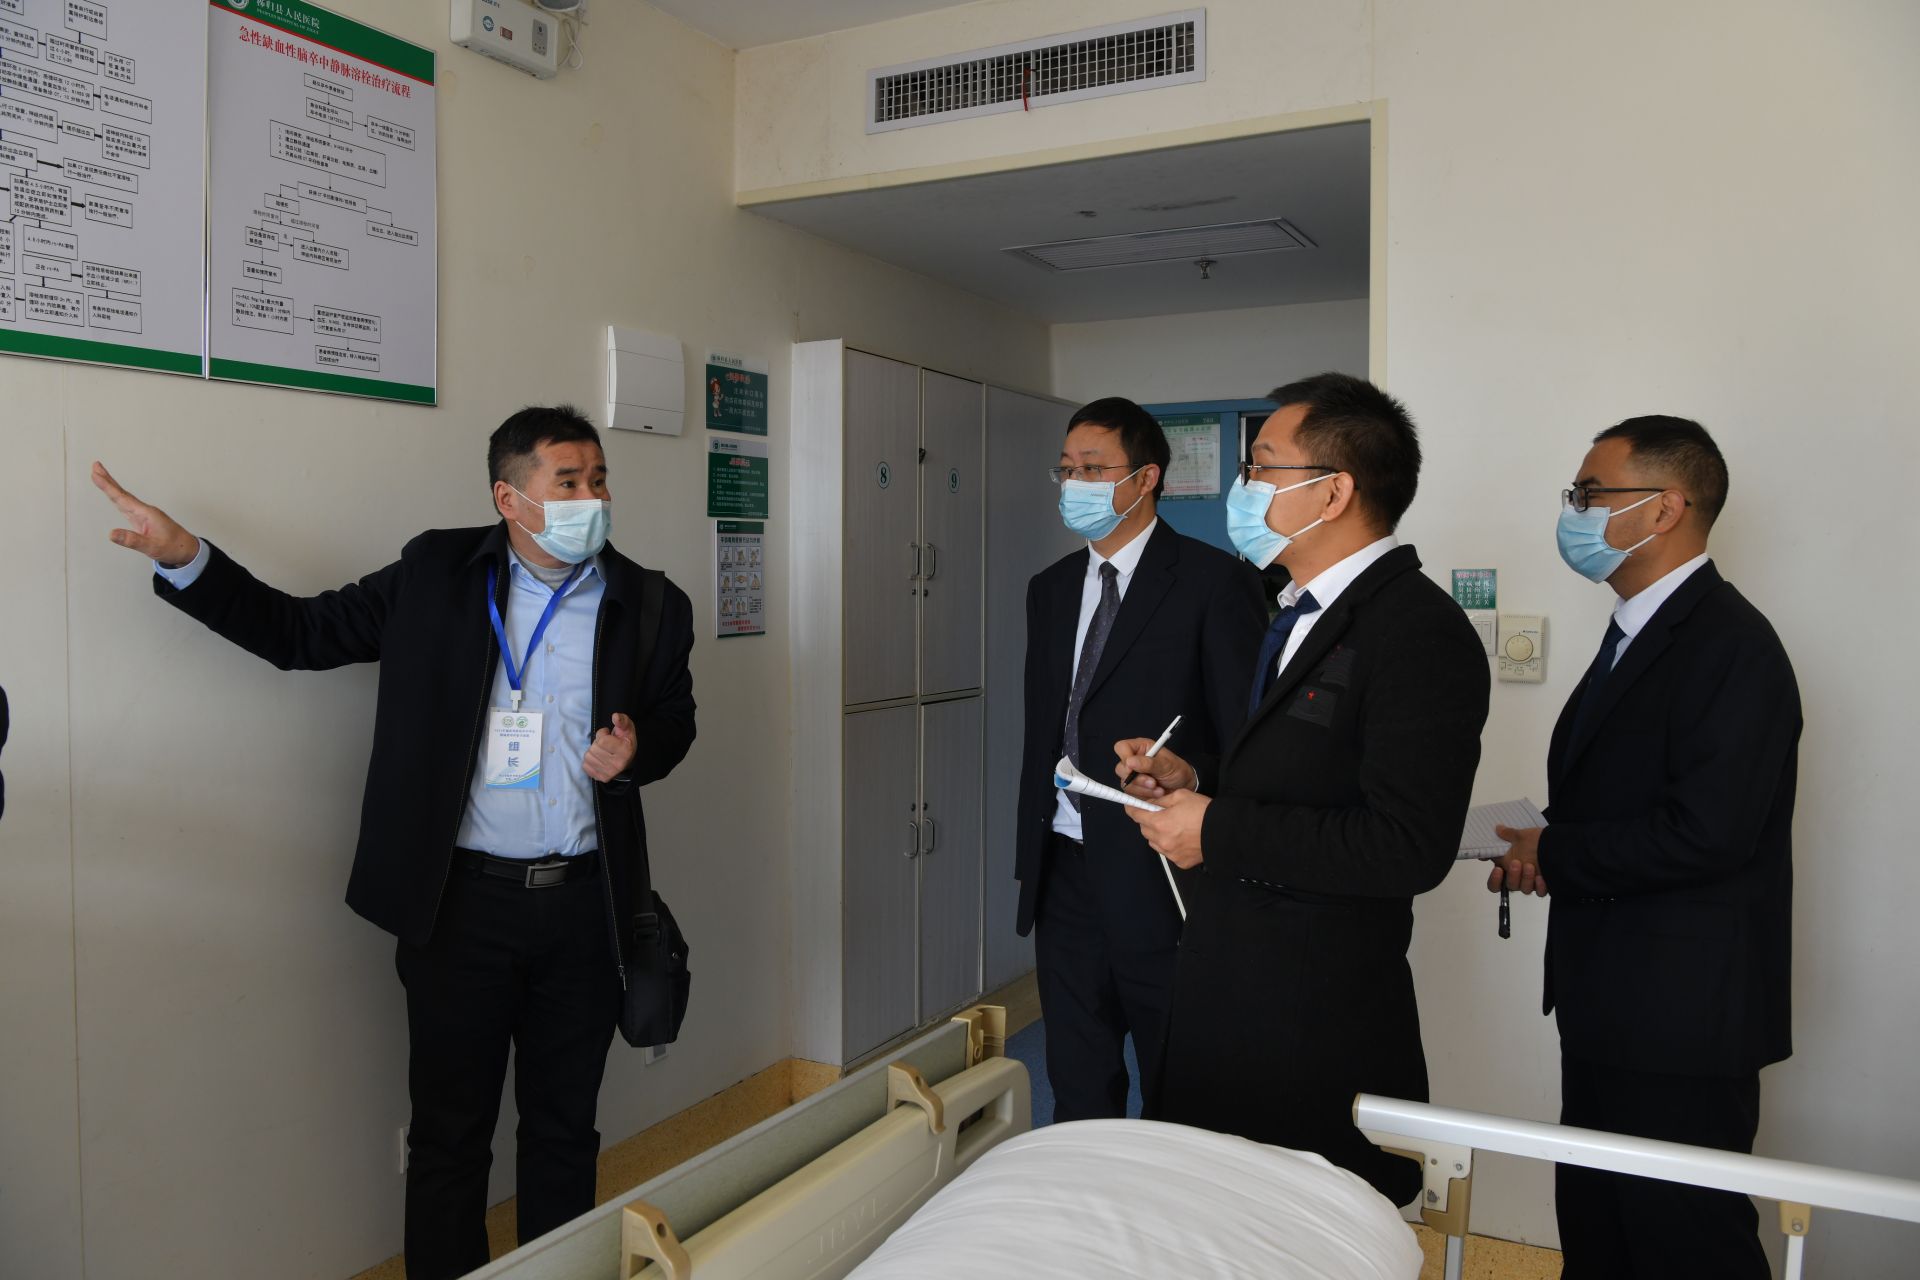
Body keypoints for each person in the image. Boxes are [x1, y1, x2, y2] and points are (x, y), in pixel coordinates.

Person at [90, 406, 696, 1280]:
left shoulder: (650, 602)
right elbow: (299, 633)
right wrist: (188, 558)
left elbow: (676, 720)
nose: (591, 499)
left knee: (564, 1134)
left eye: (598, 480)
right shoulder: (435, 575)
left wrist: (640, 751)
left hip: (583, 909)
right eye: (568, 482)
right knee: (449, 1140)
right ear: (510, 498)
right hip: (460, 911)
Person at [1120, 372, 1488, 1203]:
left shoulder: (1417, 631)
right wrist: (1196, 778)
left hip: (1310, 1013)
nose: (1242, 486)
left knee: (1287, 1225)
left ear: (1334, 492)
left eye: (1261, 466)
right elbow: (1306, 773)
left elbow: (1407, 846)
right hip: (1231, 982)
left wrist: (1215, 830)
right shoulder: (1294, 609)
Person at [1489, 415, 1798, 1277]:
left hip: (1682, 1018)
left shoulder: (1733, 646)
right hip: (1609, 1000)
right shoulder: (1634, 633)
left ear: (1665, 509)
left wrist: (1558, 851)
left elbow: (1709, 833)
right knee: (1601, 1233)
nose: (1575, 511)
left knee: (1686, 1244)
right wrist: (1540, 846)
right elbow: (1624, 797)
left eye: (1591, 493)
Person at [1014, 397, 1266, 1121]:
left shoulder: (1215, 583)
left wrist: (1192, 773)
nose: (1076, 484)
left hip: (1161, 870)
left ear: (1146, 477)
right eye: (1067, 470)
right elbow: (1046, 727)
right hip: (1063, 866)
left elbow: (1250, 739)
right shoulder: (1050, 589)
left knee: (1177, 1078)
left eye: (1094, 469)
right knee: (1077, 1078)